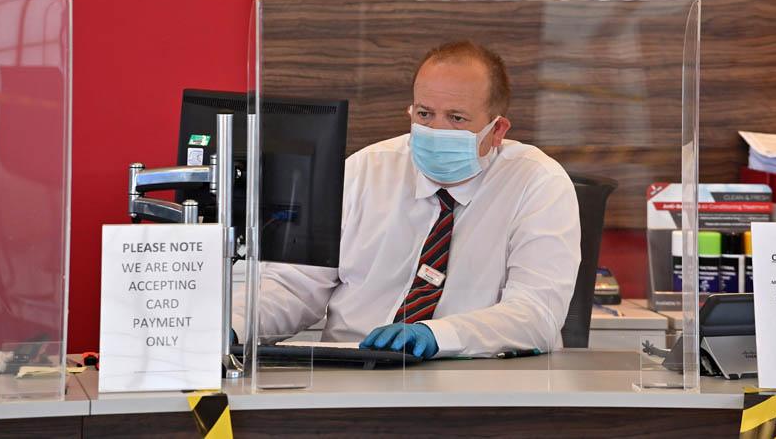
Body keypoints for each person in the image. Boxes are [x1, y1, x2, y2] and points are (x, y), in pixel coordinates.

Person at [241, 41, 581, 359]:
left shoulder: (538, 183)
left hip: (476, 378)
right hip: (351, 372)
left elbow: (537, 314)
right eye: (425, 114)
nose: (436, 130)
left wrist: (438, 336)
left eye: (456, 118)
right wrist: (234, 325)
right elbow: (294, 286)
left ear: (497, 130)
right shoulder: (364, 170)